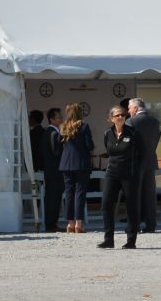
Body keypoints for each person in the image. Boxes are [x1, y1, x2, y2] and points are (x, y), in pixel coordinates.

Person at [98, 105, 144, 249]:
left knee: (131, 206)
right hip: (112, 173)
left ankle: (131, 240)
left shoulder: (133, 133)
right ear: (111, 118)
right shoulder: (107, 134)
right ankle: (108, 239)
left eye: (123, 115)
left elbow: (142, 153)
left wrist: (136, 170)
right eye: (117, 115)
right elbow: (110, 151)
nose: (120, 117)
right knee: (106, 204)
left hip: (129, 174)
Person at [126, 98, 161, 233]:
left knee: (135, 195)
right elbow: (155, 141)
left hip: (136, 162)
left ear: (135, 108)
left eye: (129, 108)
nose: (128, 111)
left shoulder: (131, 122)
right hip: (151, 161)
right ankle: (151, 224)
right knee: (150, 195)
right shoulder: (155, 122)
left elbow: (128, 143)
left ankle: (134, 225)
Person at [58, 102, 94, 233]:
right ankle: (79, 223)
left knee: (69, 193)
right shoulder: (84, 126)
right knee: (80, 193)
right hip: (81, 163)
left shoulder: (63, 127)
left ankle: (70, 223)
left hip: (65, 164)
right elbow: (89, 145)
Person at [42, 107, 66, 232]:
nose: (61, 119)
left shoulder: (52, 132)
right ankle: (51, 224)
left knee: (54, 198)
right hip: (54, 172)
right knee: (53, 198)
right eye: (59, 117)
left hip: (53, 172)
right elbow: (56, 152)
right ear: (52, 119)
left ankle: (52, 223)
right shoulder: (53, 133)